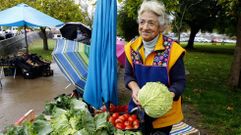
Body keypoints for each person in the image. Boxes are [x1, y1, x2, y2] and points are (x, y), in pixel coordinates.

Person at [124, 0, 186, 134]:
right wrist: (134, 89)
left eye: (151, 23)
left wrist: (166, 96)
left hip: (164, 115)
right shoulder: (131, 48)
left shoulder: (173, 51)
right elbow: (128, 76)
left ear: (161, 27)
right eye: (142, 22)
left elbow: (179, 82)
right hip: (139, 110)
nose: (145, 27)